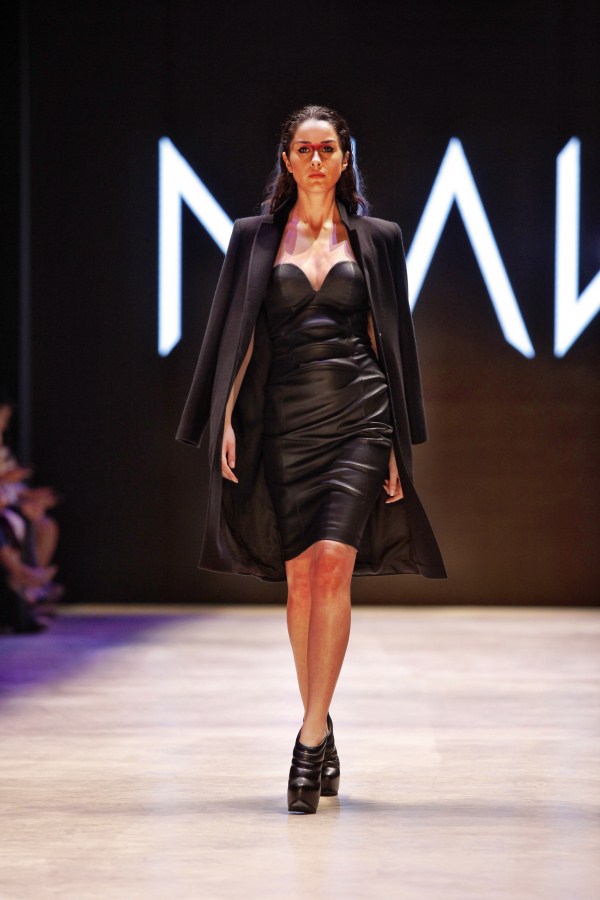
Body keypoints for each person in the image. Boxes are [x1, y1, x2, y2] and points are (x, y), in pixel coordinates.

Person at [177, 105, 446, 814]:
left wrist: (397, 443)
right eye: (305, 149)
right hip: (286, 423)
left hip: (360, 416)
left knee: (332, 565)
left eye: (328, 148)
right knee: (300, 582)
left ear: (345, 158)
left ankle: (309, 736)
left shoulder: (379, 239)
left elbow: (390, 339)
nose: (318, 160)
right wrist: (224, 417)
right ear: (288, 159)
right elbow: (237, 332)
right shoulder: (255, 237)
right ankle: (320, 724)